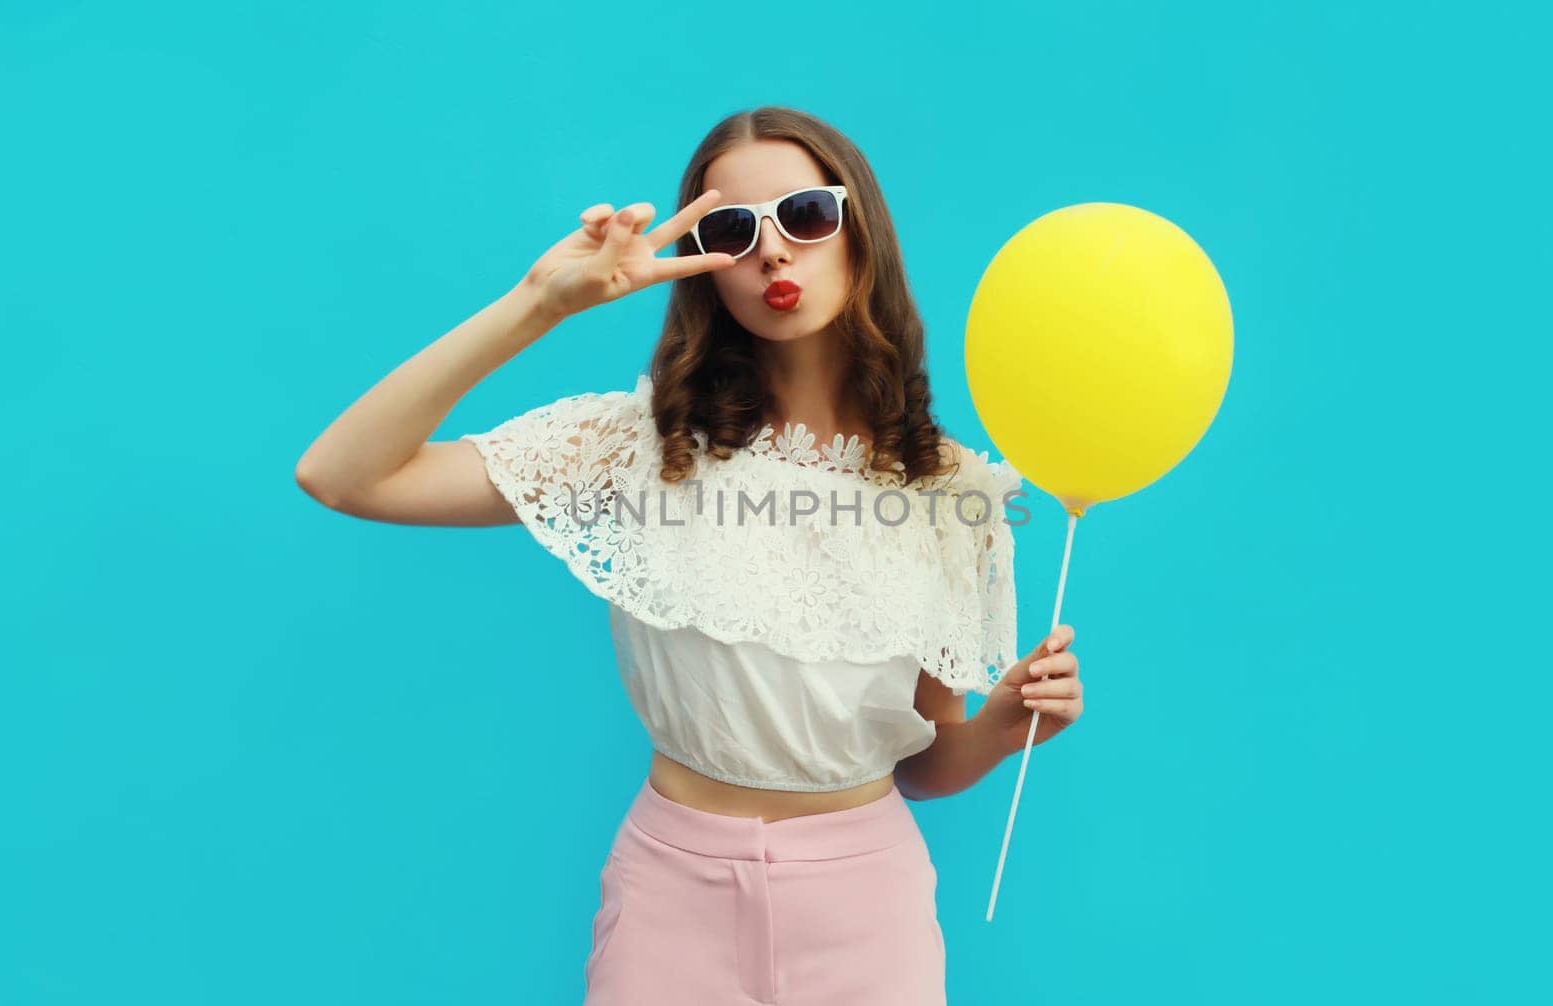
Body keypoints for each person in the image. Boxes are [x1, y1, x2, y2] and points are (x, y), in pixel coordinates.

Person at [294, 105, 1084, 1005]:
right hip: (672, 897)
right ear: (704, 270)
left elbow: (922, 764)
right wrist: (538, 303)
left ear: (860, 231)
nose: (773, 254)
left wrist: (1004, 728)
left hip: (869, 906)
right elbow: (342, 475)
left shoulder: (950, 492)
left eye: (806, 216)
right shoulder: (633, 445)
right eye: (731, 232)